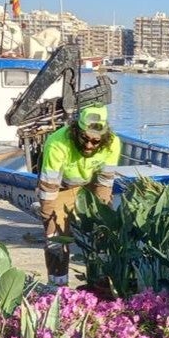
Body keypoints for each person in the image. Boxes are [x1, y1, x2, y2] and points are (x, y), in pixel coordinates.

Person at [37, 104, 121, 285]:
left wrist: (103, 216)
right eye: (84, 138)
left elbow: (104, 185)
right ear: (75, 130)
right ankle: (57, 285)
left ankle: (99, 283)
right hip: (61, 187)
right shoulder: (57, 143)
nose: (89, 145)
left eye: (96, 141)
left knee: (103, 232)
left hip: (91, 184)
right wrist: (48, 219)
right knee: (55, 240)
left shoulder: (113, 143)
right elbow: (49, 188)